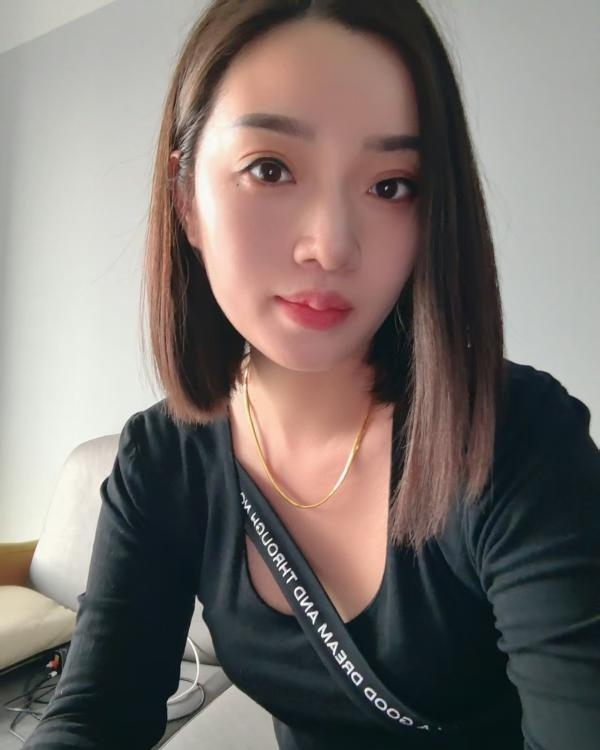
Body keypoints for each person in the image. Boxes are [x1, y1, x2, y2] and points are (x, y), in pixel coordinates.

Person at [23, 1, 600, 748]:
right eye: (270, 169)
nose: (330, 245)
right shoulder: (162, 463)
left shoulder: (515, 439)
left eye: (391, 184)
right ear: (185, 196)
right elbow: (93, 714)